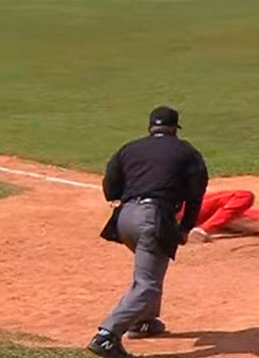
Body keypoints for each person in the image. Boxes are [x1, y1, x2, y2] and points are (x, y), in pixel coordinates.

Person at [88, 106, 208, 358]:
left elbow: (111, 182)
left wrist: (118, 198)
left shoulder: (129, 148)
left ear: (150, 128)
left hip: (124, 219)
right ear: (175, 128)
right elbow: (195, 195)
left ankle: (144, 321)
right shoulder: (187, 151)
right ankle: (107, 335)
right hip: (153, 219)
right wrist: (185, 227)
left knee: (150, 267)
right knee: (148, 284)